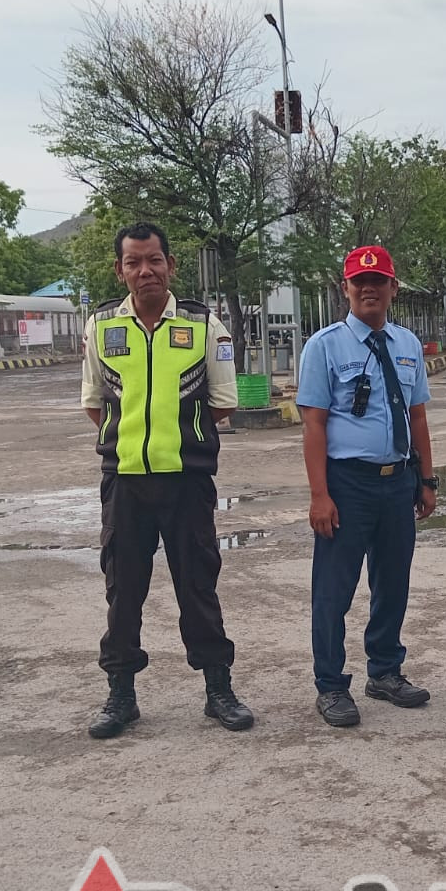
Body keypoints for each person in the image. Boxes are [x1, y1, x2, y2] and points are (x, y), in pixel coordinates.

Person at [79, 222, 254, 739]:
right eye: (133, 262)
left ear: (170, 265)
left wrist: (175, 439)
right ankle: (121, 695)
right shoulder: (102, 327)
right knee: (122, 590)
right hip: (125, 482)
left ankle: (218, 689)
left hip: (187, 481)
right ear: (120, 270)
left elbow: (222, 403)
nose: (144, 271)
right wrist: (133, 440)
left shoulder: (205, 326)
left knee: (198, 585)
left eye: (154, 260)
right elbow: (95, 404)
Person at [296, 245, 439, 728]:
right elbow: (313, 424)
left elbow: (417, 415)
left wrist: (426, 479)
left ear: (393, 288)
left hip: (397, 482)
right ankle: (331, 685)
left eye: (379, 281)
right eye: (360, 282)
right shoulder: (324, 346)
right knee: (334, 590)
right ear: (347, 289)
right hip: (347, 484)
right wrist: (320, 494)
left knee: (392, 582)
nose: (369, 289)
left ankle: (385, 671)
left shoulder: (406, 344)